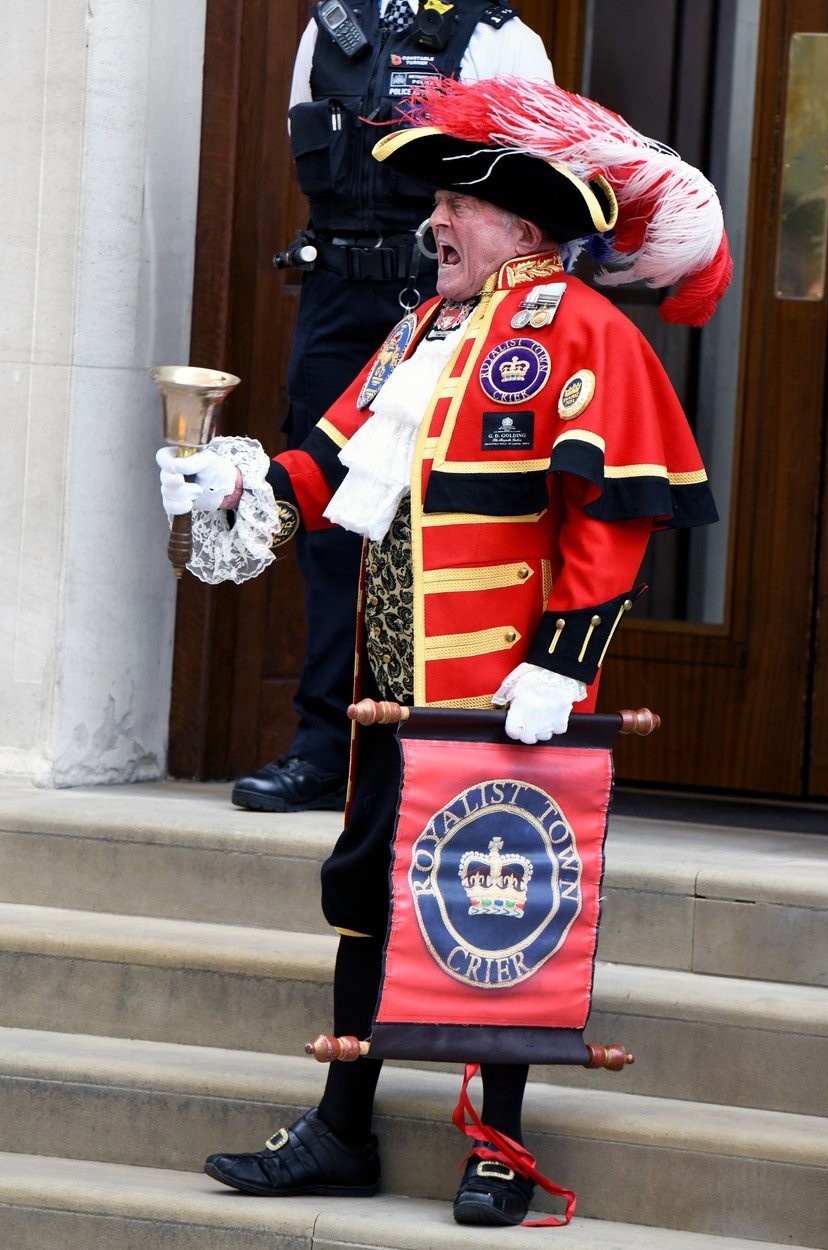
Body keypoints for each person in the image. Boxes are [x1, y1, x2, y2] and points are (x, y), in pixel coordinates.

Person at [158, 75, 731, 1226]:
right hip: (393, 686)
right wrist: (236, 479)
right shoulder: (419, 330)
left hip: (505, 691)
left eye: (454, 208)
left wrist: (562, 665)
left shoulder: (582, 331)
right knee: (371, 889)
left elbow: (611, 519)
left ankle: (501, 1143)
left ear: (524, 229)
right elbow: (334, 466)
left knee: (496, 897)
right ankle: (341, 1125)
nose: (430, 225)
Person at [231, 0, 554, 814]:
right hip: (338, 299)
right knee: (328, 519)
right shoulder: (330, 27)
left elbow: (528, 191)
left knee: (447, 523)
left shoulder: (501, 39)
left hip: (446, 297)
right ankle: (323, 747)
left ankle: (439, 742)